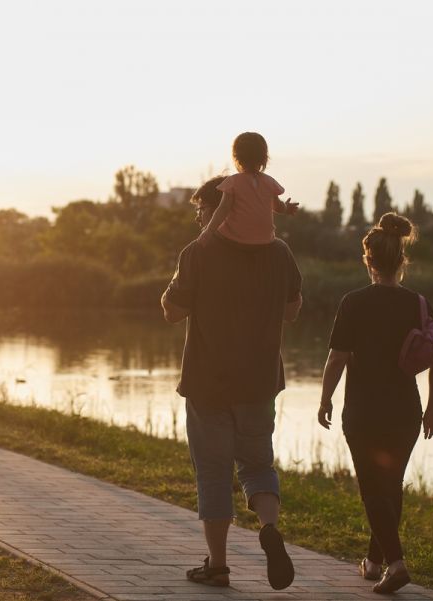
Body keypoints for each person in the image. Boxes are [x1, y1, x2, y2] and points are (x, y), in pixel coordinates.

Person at [161, 175, 303, 591]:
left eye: (202, 209)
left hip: (209, 383)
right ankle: (269, 527)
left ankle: (218, 565)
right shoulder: (280, 252)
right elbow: (293, 312)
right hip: (259, 382)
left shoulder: (198, 252)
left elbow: (172, 311)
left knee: (213, 473)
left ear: (221, 207)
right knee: (258, 465)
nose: (199, 218)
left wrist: (174, 285)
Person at [318, 213, 433, 594]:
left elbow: (337, 358)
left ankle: (396, 562)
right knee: (389, 487)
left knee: (373, 489)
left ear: (368, 260)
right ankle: (374, 563)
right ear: (400, 260)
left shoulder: (353, 302)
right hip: (406, 411)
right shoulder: (419, 303)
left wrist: (325, 398)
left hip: (363, 412)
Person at [200, 132, 298, 245]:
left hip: (237, 238)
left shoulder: (233, 182)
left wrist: (208, 232)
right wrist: (286, 208)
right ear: (264, 159)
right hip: (265, 239)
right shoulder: (269, 182)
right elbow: (277, 206)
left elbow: (223, 209)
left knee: (219, 232)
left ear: (237, 158)